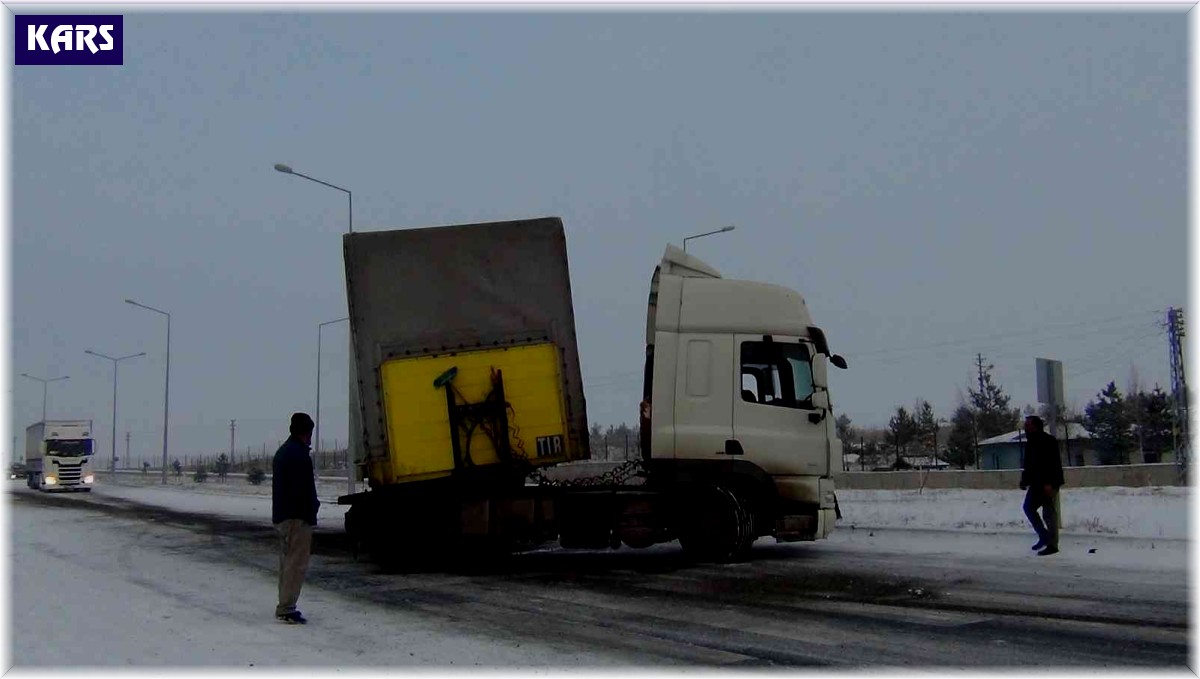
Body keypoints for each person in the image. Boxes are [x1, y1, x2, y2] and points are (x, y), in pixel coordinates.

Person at [273, 412, 320, 624]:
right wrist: (312, 509)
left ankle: (284, 604)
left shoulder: (284, 452)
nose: (311, 436)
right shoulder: (299, 456)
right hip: (296, 517)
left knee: (287, 562)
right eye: (310, 431)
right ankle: (287, 608)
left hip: (283, 515)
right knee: (296, 563)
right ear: (305, 432)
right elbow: (303, 490)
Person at [1019, 415, 1064, 556]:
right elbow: (1029, 465)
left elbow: (1053, 464)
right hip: (1036, 484)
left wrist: (1050, 483)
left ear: (1035, 426)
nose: (1025, 427)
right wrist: (1024, 480)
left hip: (1048, 483)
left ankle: (1052, 545)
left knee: (1049, 513)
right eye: (1025, 425)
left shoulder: (1048, 441)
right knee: (1028, 508)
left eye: (1028, 425)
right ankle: (1044, 535)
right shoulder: (1030, 442)